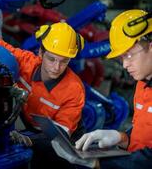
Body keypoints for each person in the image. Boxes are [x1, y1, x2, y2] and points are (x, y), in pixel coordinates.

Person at [0, 22, 86, 168]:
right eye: (51, 59)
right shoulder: (26, 62)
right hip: (32, 127)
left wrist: (30, 140)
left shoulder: (74, 89)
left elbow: (59, 136)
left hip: (65, 139)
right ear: (41, 53)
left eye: (64, 61)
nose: (57, 67)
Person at [51, 9, 152, 169]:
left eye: (129, 55)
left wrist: (99, 164)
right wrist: (121, 137)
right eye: (121, 58)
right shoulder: (143, 83)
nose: (125, 65)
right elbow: (145, 135)